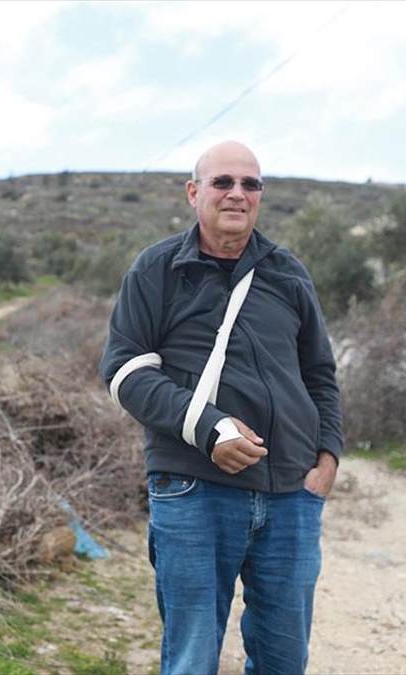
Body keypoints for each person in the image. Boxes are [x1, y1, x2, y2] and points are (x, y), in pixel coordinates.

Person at [99, 140, 343, 675]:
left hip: (291, 497)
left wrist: (327, 460)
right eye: (222, 182)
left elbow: (320, 375)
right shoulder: (157, 269)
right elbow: (123, 373)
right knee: (192, 658)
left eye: (250, 184)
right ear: (194, 193)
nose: (237, 193)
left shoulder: (288, 272)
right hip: (193, 489)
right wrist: (210, 428)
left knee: (284, 660)